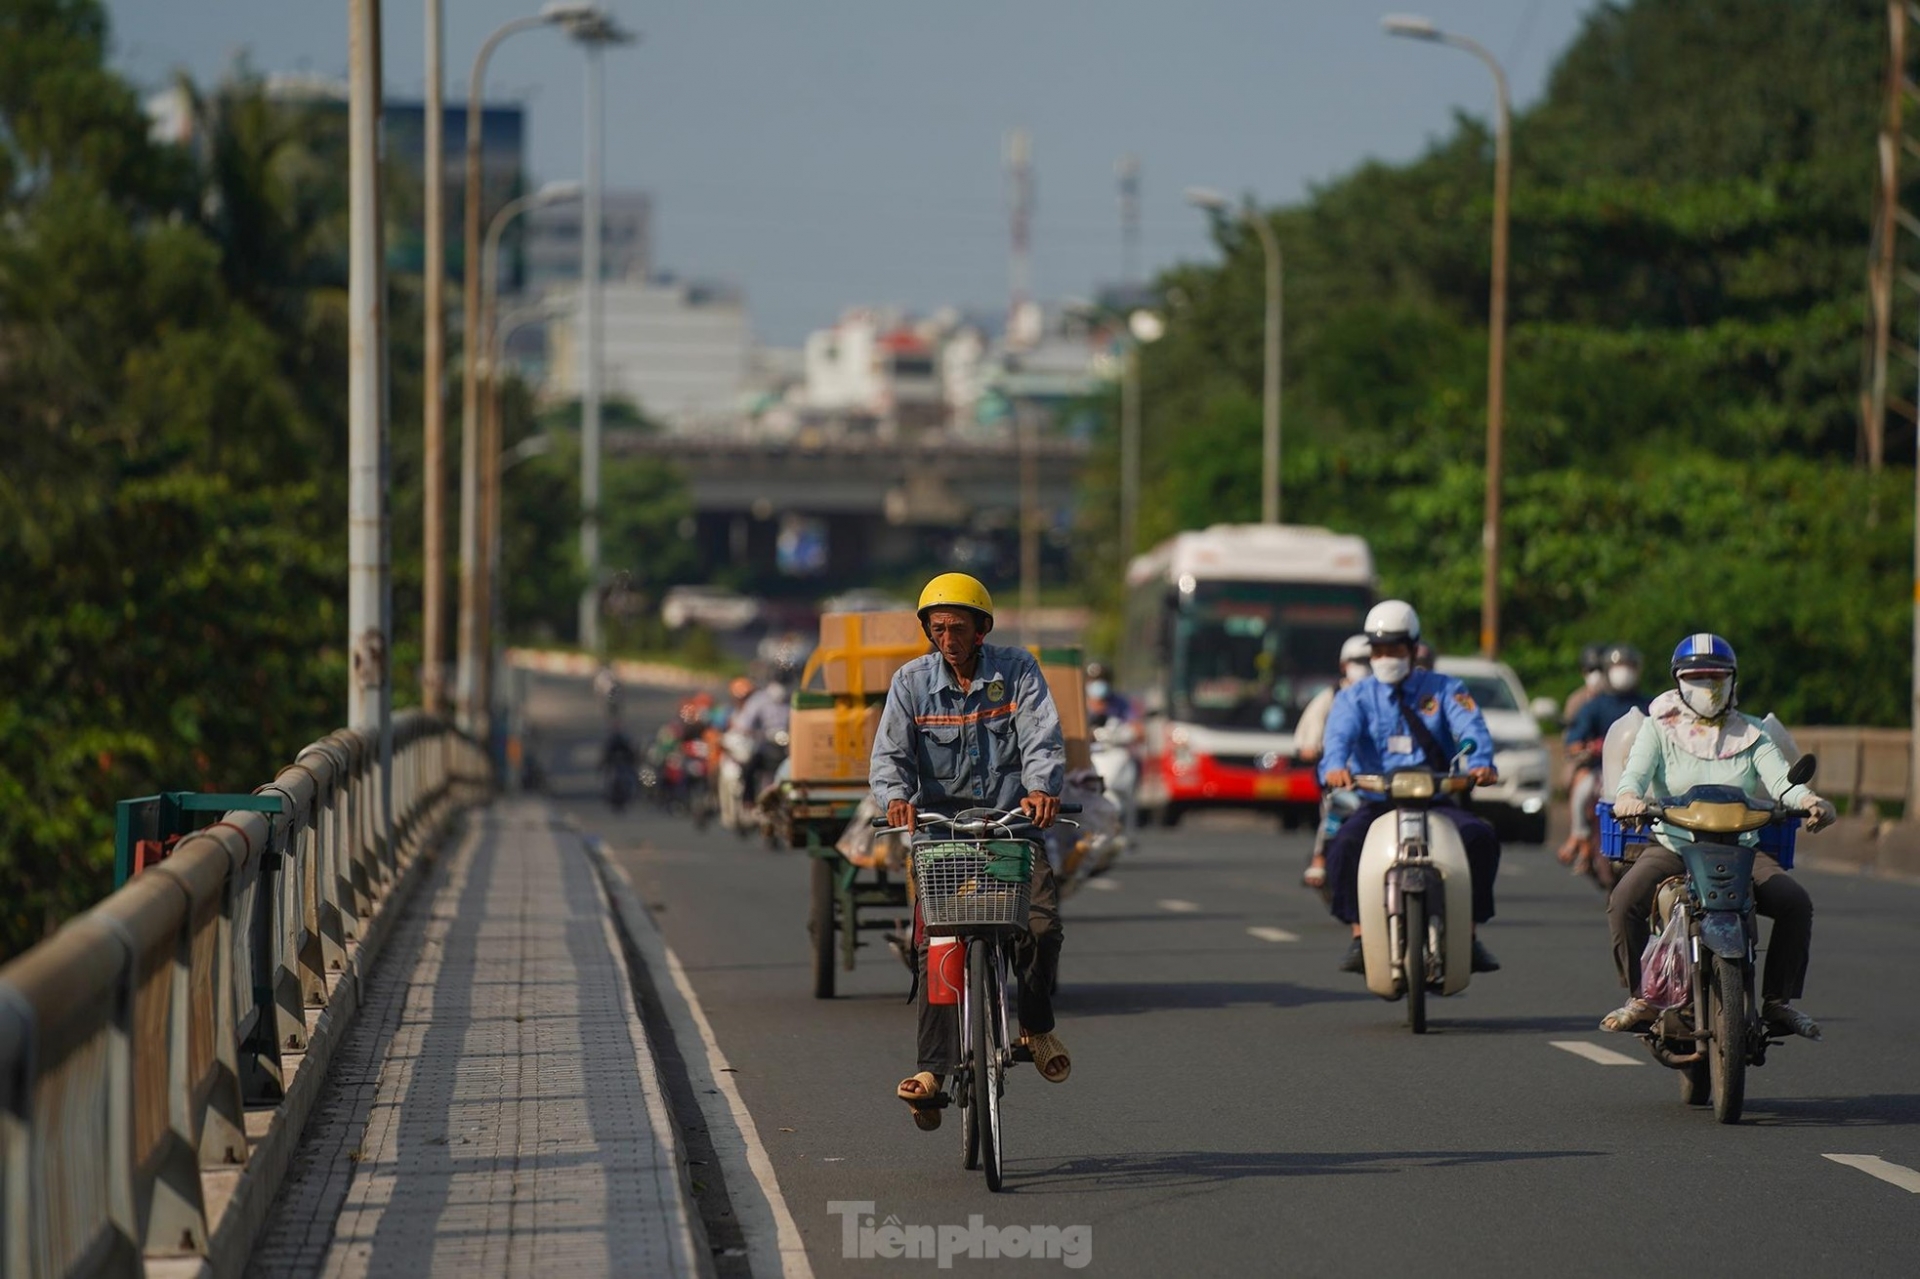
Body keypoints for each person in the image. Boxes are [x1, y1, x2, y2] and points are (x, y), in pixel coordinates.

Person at [870, 572, 1070, 1129]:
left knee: (1041, 926)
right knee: (938, 946)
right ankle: (933, 1069)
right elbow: (889, 757)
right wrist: (895, 800)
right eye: (938, 628)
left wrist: (1041, 789)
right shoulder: (910, 683)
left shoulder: (1018, 671)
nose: (948, 638)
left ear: (982, 629)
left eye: (958, 627)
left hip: (1011, 830)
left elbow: (1041, 737)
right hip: (941, 838)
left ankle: (1034, 1025)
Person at [1600, 633, 1836, 1039]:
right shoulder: (1659, 729)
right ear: (1678, 681)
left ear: (1732, 681)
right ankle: (1641, 997)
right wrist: (1627, 798)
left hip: (1741, 846)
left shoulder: (1754, 733)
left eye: (1716, 677)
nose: (1708, 687)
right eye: (1697, 678)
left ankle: (1778, 1003)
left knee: (1795, 903)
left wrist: (1811, 800)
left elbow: (1783, 783)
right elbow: (1634, 777)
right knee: (1623, 902)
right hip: (1676, 845)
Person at [1319, 600, 1504, 975]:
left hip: (1435, 799)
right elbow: (1338, 736)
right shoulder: (1354, 696)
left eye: (1395, 648)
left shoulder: (1445, 688)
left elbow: (1471, 727)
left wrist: (1481, 761)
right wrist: (1335, 766)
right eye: (1379, 648)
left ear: (1413, 647)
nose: (1386, 656)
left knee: (1479, 838)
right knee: (1343, 847)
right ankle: (1359, 936)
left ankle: (1468, 935)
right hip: (1377, 803)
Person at [1559, 645, 1650, 877]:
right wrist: (1587, 747)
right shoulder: (1595, 706)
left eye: (1628, 667)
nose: (1624, 672)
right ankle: (1578, 834)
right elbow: (1575, 738)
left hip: (1643, 773)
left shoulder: (1648, 704)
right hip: (1602, 770)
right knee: (1583, 790)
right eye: (1619, 667)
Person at [1295, 633, 1372, 890]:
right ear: (1344, 665)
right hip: (1342, 774)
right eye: (1359, 660)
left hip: (1379, 774)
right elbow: (1312, 728)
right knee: (1335, 810)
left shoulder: (1385, 694)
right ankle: (1321, 856)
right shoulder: (1335, 695)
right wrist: (1311, 747)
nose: (1366, 666)